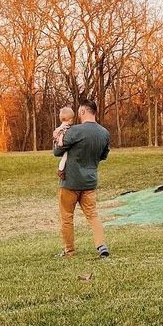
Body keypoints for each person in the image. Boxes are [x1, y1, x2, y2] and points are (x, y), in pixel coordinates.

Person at [54, 100, 111, 258]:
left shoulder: (75, 131)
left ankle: (69, 250)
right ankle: (101, 245)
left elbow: (57, 151)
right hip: (90, 181)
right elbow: (103, 156)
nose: (78, 114)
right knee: (93, 215)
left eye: (79, 111)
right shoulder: (104, 133)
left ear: (84, 112)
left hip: (70, 182)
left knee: (66, 217)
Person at [52, 106, 75, 180]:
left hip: (58, 143)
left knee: (64, 157)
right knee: (65, 157)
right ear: (71, 120)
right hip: (62, 144)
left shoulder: (60, 127)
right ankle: (61, 170)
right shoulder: (65, 128)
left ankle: (61, 169)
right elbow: (62, 135)